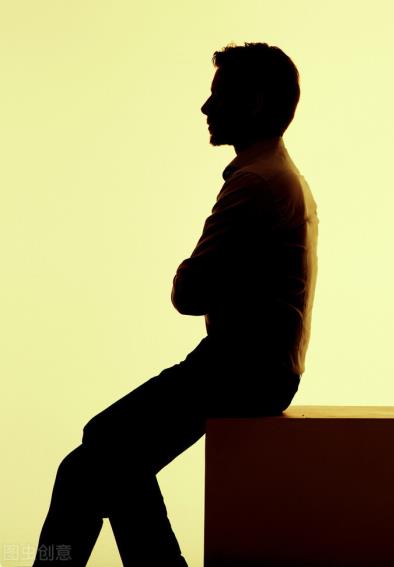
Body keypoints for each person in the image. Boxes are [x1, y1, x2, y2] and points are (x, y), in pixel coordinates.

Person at [32, 41, 318, 567]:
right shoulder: (278, 176)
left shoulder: (255, 182)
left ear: (254, 102)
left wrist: (194, 272)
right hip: (253, 367)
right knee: (105, 461)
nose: (207, 107)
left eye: (219, 95)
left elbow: (188, 294)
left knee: (98, 454)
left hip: (238, 367)